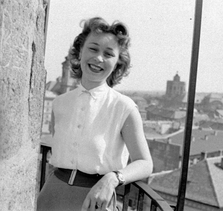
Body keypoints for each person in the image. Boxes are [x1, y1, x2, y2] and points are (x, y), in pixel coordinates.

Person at [37, 17, 153, 211]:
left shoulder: (124, 107)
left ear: (117, 63)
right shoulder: (60, 103)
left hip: (95, 201)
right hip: (52, 196)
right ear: (80, 51)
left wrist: (113, 178)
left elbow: (145, 163)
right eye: (93, 49)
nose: (98, 58)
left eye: (108, 53)